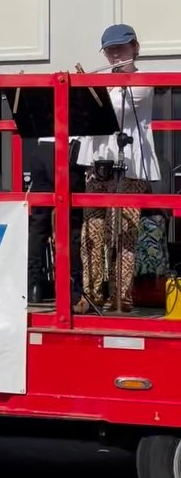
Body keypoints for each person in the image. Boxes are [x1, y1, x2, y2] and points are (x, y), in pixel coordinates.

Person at [76, 24, 159, 313]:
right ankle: (90, 293)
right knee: (92, 228)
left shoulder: (143, 81)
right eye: (110, 51)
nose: (114, 55)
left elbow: (115, 107)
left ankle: (120, 294)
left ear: (135, 47)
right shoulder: (101, 81)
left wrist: (89, 89)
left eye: (120, 49)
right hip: (98, 161)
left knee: (124, 232)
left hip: (130, 163)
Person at [27, 137, 85, 309]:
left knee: (39, 223)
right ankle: (73, 288)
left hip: (43, 148)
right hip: (69, 148)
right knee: (72, 222)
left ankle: (34, 287)